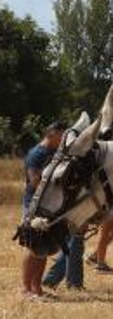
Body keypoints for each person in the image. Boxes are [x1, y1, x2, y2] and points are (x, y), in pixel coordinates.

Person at [18, 121, 68, 299]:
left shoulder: (55, 153)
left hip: (48, 206)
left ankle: (37, 288)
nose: (64, 139)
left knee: (44, 247)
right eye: (62, 135)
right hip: (34, 204)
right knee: (33, 247)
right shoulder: (37, 154)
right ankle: (25, 289)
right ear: (52, 133)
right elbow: (34, 181)